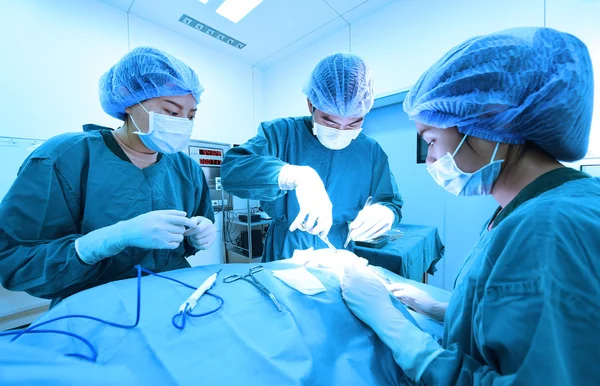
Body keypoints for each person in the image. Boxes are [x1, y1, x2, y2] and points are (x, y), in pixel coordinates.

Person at [341, 27, 599, 386]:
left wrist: (393, 326)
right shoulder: (529, 209)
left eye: (430, 140)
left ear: (488, 120)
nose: (430, 158)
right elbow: (522, 319)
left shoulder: (548, 229)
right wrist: (443, 307)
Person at [0, 47, 216, 307]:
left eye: (191, 116)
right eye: (171, 112)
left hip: (171, 301)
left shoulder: (187, 169)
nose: (182, 123)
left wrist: (195, 236)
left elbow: (185, 243)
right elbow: (13, 258)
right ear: (128, 99)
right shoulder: (65, 156)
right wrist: (103, 241)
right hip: (90, 308)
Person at [222, 53, 404, 261]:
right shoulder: (282, 133)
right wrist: (292, 175)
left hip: (338, 249)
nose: (341, 131)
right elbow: (232, 171)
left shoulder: (370, 151)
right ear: (311, 105)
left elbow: (390, 201)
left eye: (353, 123)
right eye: (330, 121)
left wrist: (385, 213)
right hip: (285, 248)